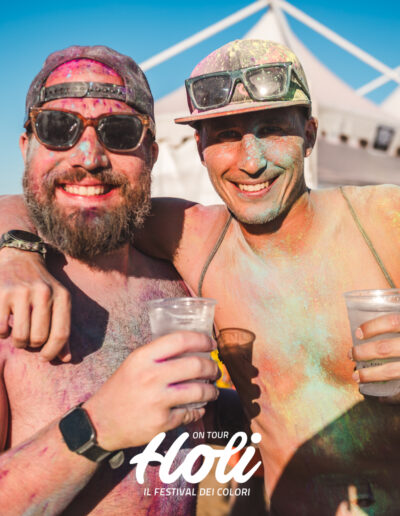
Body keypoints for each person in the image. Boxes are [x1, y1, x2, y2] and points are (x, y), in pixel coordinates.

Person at [1, 39, 400, 514]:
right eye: (226, 135)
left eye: (273, 129)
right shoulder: (192, 240)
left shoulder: (383, 219)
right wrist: (16, 252)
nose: (251, 161)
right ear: (199, 148)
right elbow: (55, 194)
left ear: (309, 135)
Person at [0, 45, 224, 515]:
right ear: (26, 148)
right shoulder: (10, 299)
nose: (89, 157)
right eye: (57, 128)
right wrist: (97, 425)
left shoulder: (183, 279)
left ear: (152, 154)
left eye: (120, 132)